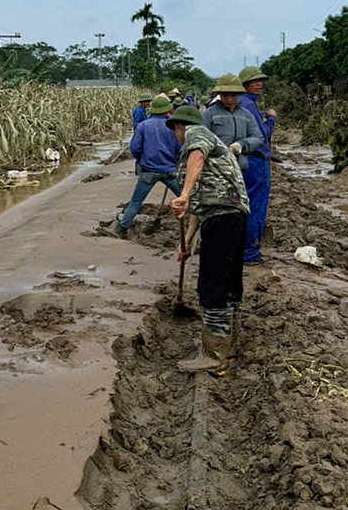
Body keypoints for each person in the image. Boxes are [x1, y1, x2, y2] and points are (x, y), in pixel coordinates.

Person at [168, 104, 250, 372]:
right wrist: (187, 242)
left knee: (212, 286)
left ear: (179, 127)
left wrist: (183, 192)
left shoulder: (196, 133)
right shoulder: (209, 147)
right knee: (228, 283)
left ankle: (214, 355)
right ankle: (230, 347)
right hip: (230, 215)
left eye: (175, 131)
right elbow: (198, 208)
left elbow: (197, 158)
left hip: (222, 216)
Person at [112, 96, 181, 236]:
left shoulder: (144, 126)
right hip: (170, 170)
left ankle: (122, 228)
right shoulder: (174, 125)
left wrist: (142, 159)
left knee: (136, 202)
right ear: (167, 110)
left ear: (152, 110)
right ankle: (200, 223)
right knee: (186, 197)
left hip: (148, 170)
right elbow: (180, 147)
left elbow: (135, 148)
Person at [237, 66, 277, 265]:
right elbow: (262, 136)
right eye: (255, 81)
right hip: (255, 160)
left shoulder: (237, 103)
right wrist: (271, 119)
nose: (259, 84)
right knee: (256, 205)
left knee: (241, 204)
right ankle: (250, 253)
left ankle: (239, 247)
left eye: (260, 80)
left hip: (240, 159)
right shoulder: (249, 106)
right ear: (245, 84)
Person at [202, 74, 264, 172]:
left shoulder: (245, 114)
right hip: (216, 169)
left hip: (240, 168)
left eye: (233, 95)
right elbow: (201, 139)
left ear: (238, 95)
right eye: (225, 95)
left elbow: (258, 138)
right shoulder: (209, 114)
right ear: (220, 95)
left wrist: (241, 145)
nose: (229, 99)